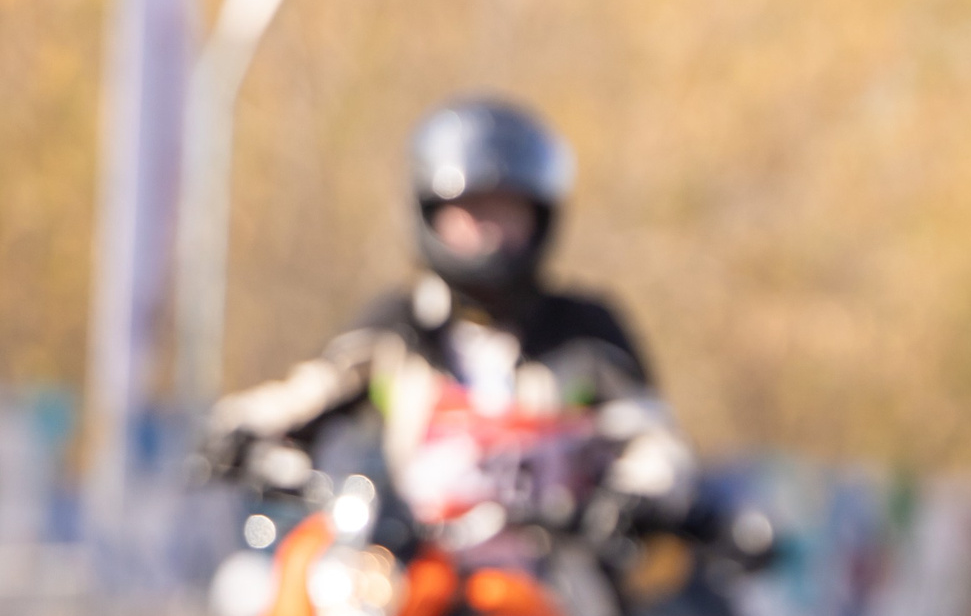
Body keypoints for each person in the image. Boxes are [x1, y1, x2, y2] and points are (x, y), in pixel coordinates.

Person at [200, 95, 693, 543]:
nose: (490, 232)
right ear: (433, 213)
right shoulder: (398, 329)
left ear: (539, 218)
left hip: (553, 573)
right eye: (473, 211)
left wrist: (637, 496)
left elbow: (653, 439)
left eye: (506, 211)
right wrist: (237, 431)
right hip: (414, 570)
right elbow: (304, 396)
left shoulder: (584, 333)